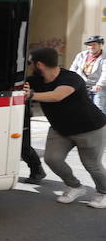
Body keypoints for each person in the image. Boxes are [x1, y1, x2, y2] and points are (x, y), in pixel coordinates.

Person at [25, 47, 106, 208]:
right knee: (52, 159)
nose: (29, 65)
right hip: (60, 129)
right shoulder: (35, 80)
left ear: (39, 64)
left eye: (30, 62)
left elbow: (57, 95)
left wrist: (32, 95)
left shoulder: (71, 78)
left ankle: (103, 192)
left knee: (91, 164)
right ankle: (75, 186)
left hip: (90, 128)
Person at [68, 35, 106, 113]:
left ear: (100, 45)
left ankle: (102, 124)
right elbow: (73, 69)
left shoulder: (104, 57)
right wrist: (71, 81)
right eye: (89, 45)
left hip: (98, 86)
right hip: (82, 84)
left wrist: (99, 84)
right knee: (80, 107)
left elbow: (105, 72)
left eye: (94, 44)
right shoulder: (81, 55)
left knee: (99, 108)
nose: (91, 47)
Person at [19, 102, 46, 184]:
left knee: (23, 146)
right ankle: (37, 171)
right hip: (19, 108)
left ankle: (37, 171)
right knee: (22, 145)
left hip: (20, 110)